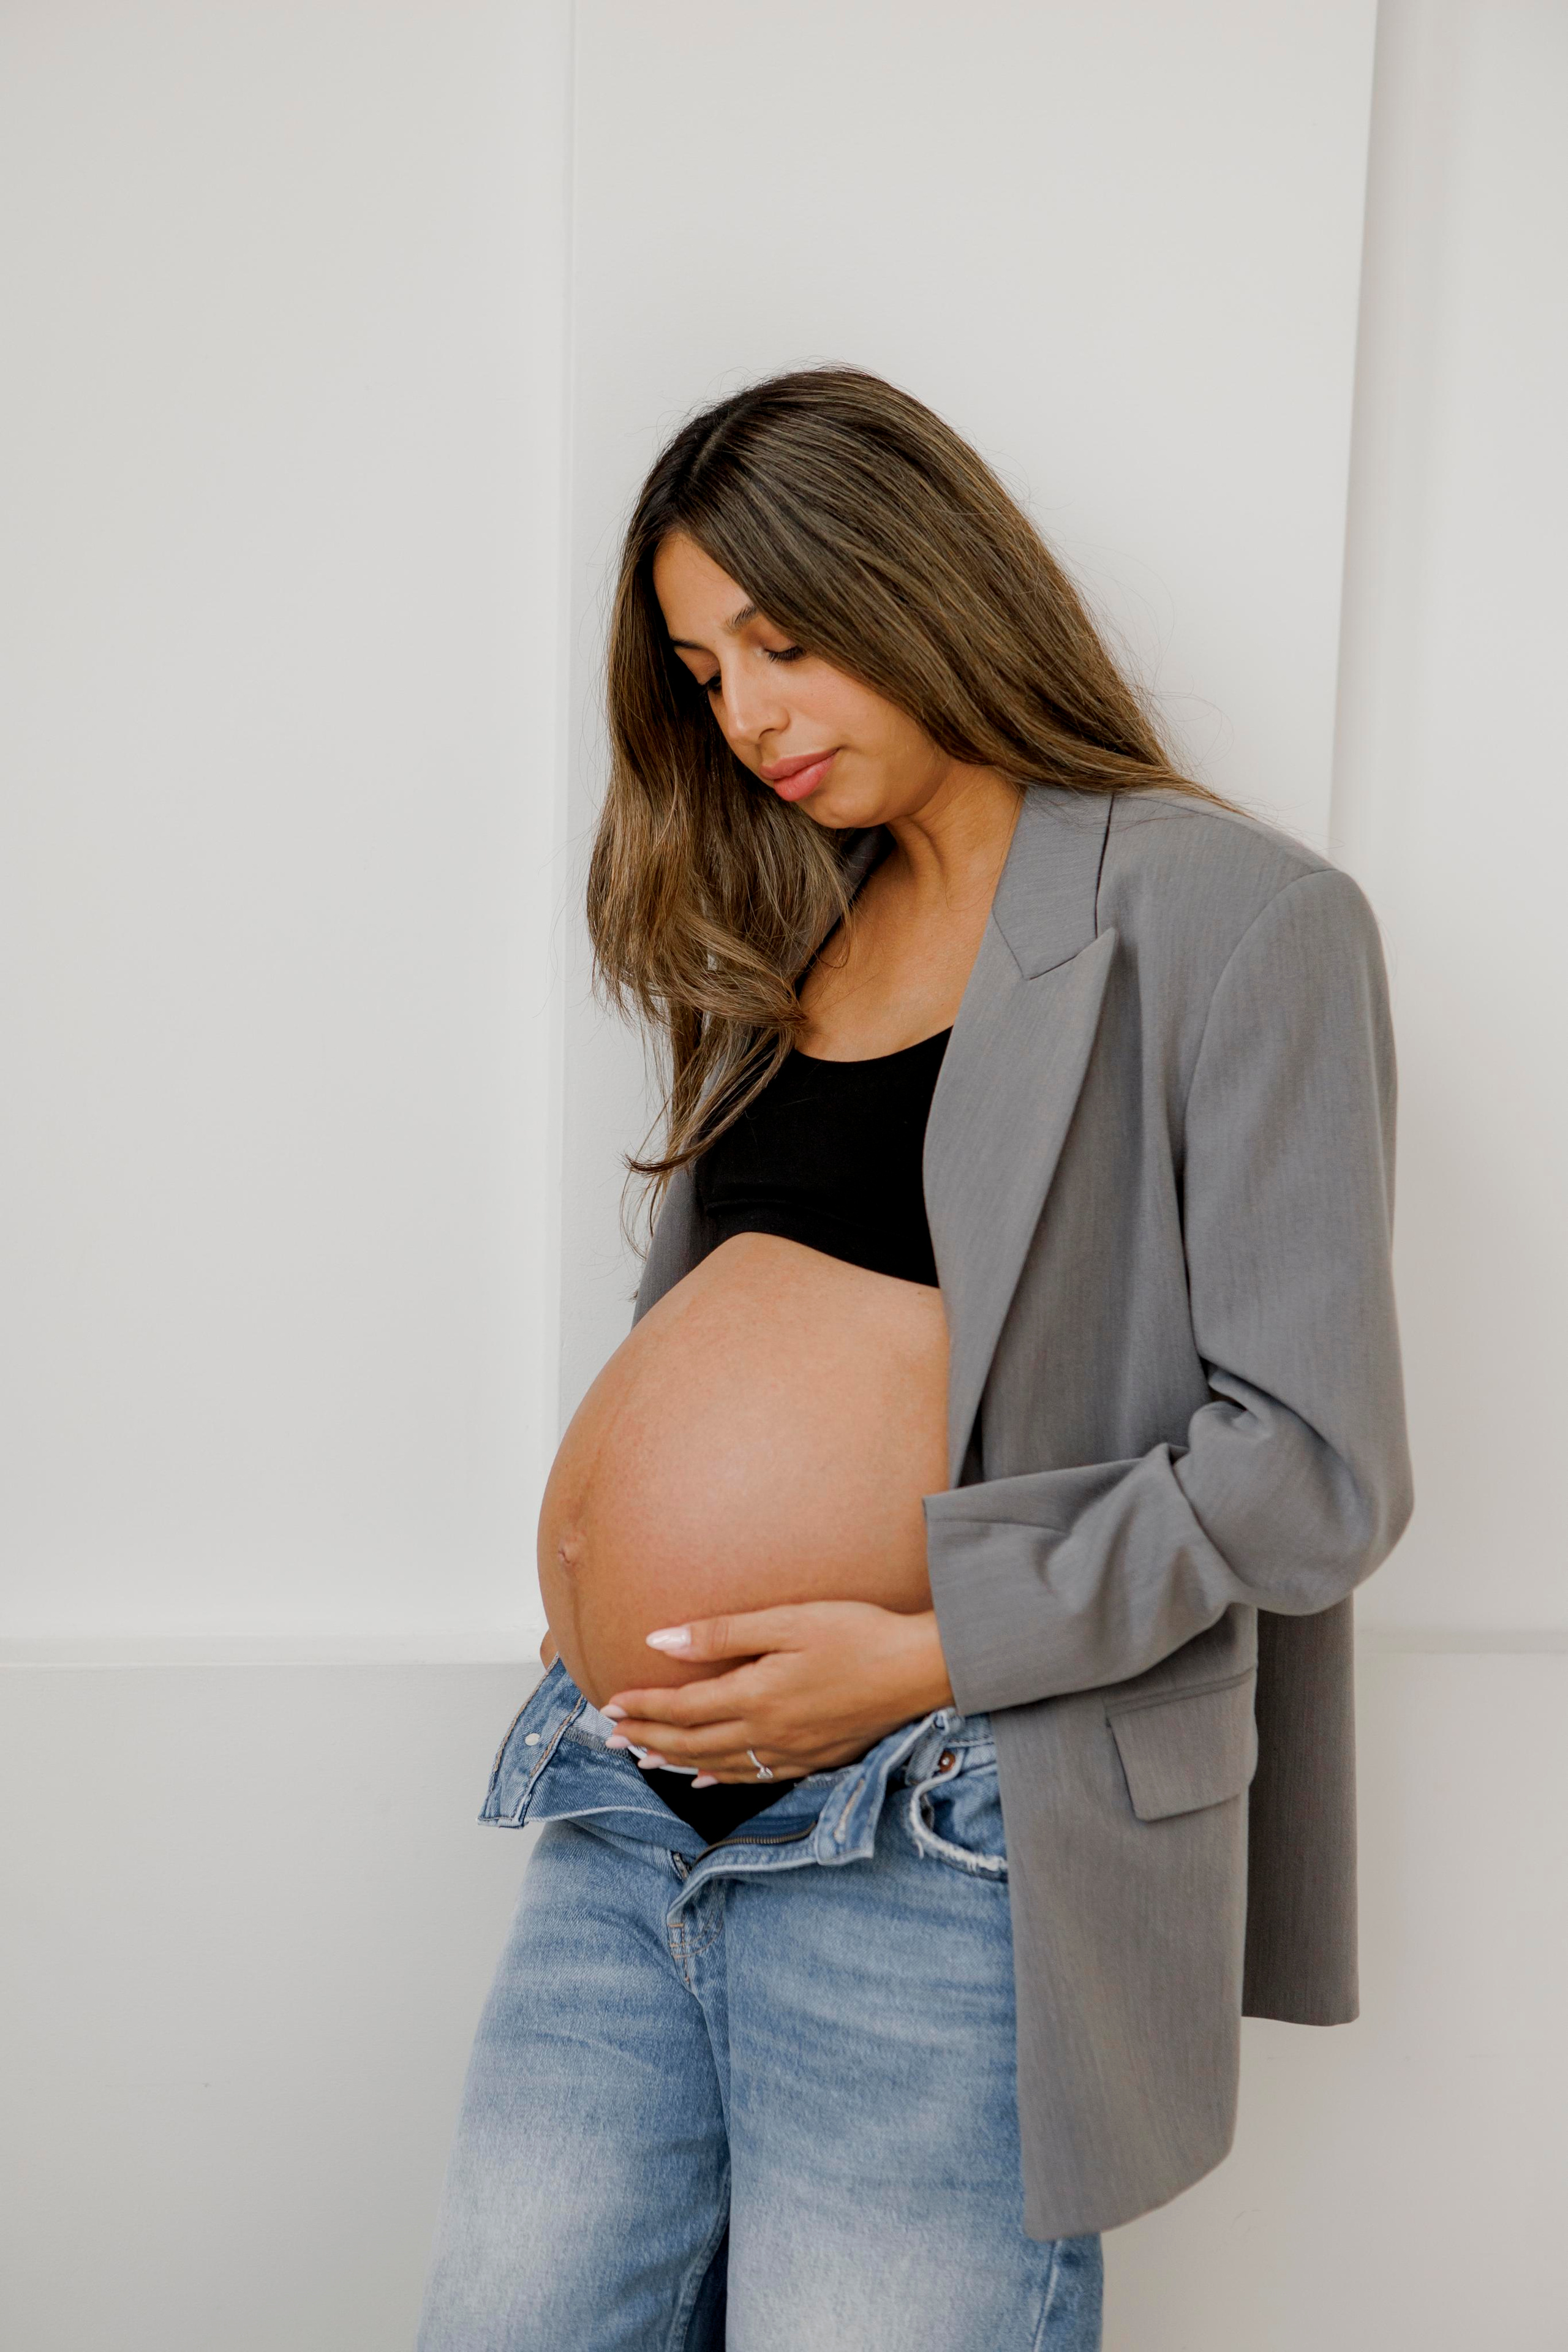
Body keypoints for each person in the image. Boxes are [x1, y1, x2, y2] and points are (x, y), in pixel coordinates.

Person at [417, 368, 1412, 2352]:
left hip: (934, 1816)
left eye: (785, 642)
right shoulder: (795, 929)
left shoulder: (1231, 919)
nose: (751, 715)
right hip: (626, 1813)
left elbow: (1312, 1465)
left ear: (924, 582)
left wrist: (930, 1644)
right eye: (705, 674)